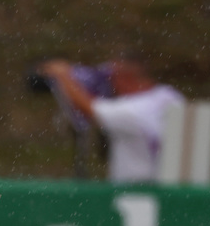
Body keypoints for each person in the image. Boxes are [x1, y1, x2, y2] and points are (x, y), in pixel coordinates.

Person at [39, 55, 184, 183]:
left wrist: (62, 76)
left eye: (112, 79)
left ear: (125, 78)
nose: (111, 85)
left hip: (137, 192)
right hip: (171, 188)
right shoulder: (170, 96)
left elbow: (89, 109)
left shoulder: (132, 111)